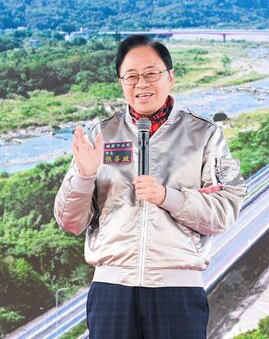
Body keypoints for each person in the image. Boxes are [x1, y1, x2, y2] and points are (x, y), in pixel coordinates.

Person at [54, 34, 246, 339]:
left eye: (151, 74)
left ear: (170, 77)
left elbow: (226, 210)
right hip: (111, 290)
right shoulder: (100, 135)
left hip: (177, 292)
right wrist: (84, 175)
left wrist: (168, 197)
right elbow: (70, 221)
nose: (141, 84)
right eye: (131, 76)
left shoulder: (206, 135)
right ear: (121, 83)